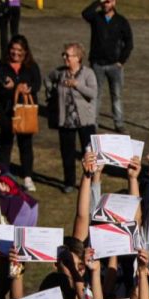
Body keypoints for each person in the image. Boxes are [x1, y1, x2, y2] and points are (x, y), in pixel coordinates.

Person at [45, 42, 98, 193]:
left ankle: (91, 180)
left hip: (85, 121)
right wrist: (52, 94)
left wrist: (77, 85)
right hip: (66, 120)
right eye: (64, 54)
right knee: (67, 153)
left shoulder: (88, 73)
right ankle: (69, 182)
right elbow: (47, 79)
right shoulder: (59, 72)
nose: (64, 58)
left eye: (68, 55)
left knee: (89, 153)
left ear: (78, 57)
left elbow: (93, 93)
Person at [0, 34, 41, 191]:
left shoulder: (31, 66)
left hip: (24, 111)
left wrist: (26, 87)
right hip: (6, 111)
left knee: (25, 144)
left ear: (25, 51)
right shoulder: (1, 65)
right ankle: (4, 176)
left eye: (19, 50)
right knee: (5, 144)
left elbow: (37, 84)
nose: (16, 53)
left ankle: (27, 177)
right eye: (13, 49)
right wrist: (5, 85)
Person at [82, 0, 133, 133]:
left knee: (117, 96)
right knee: (95, 95)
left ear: (114, 3)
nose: (106, 4)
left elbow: (129, 42)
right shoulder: (96, 18)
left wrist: (121, 61)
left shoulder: (121, 21)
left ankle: (119, 123)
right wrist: (98, 2)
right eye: (104, 2)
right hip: (97, 64)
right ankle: (93, 122)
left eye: (108, 2)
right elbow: (85, 13)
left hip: (115, 66)